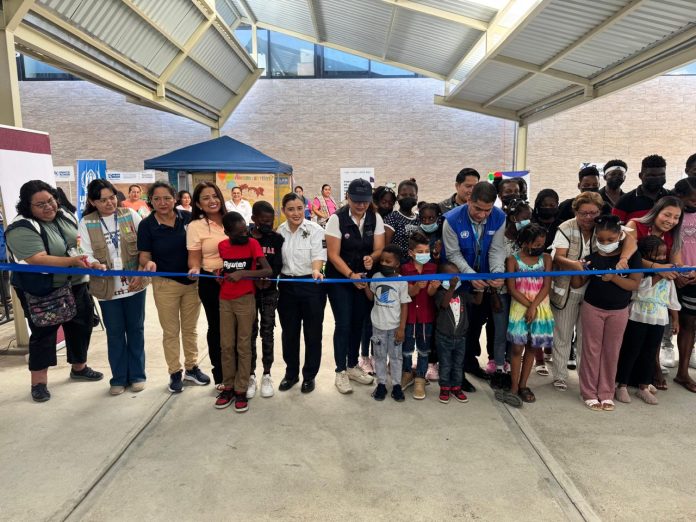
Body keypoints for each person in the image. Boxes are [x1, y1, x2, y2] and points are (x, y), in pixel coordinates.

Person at [5, 180, 102, 402]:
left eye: (51, 200)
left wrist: (87, 259)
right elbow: (37, 259)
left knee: (82, 325)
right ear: (27, 206)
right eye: (40, 204)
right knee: (44, 334)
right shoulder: (20, 228)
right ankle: (38, 382)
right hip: (43, 289)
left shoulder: (64, 215)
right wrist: (73, 261)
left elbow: (79, 242)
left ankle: (79, 367)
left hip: (76, 283)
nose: (49, 206)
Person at [550, 192, 636, 392]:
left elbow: (631, 239)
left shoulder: (604, 225)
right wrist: (574, 265)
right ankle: (560, 376)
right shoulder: (566, 227)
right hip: (567, 290)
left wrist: (624, 258)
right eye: (583, 213)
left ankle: (586, 377)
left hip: (594, 293)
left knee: (587, 339)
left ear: (600, 212)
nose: (588, 217)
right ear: (575, 212)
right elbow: (558, 257)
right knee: (562, 334)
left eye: (593, 213)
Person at [139, 181, 209, 394]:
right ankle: (174, 372)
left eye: (167, 198)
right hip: (165, 284)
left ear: (175, 198)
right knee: (171, 331)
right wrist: (148, 264)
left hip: (191, 283)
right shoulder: (147, 225)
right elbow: (144, 255)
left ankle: (191, 368)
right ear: (151, 201)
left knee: (190, 329)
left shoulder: (188, 218)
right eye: (157, 199)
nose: (162, 202)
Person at [79, 179, 148, 395]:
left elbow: (145, 245)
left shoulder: (129, 214)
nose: (110, 203)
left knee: (136, 330)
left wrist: (140, 271)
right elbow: (85, 252)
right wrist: (94, 264)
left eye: (112, 198)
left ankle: (137, 375)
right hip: (107, 288)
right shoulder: (87, 222)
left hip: (134, 285)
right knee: (115, 333)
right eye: (103, 200)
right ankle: (118, 378)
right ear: (92, 202)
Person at [570, 215, 642, 411]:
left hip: (619, 311)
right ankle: (588, 392)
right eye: (601, 240)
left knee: (612, 351)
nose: (605, 243)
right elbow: (577, 284)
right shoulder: (593, 258)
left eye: (610, 239)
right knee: (591, 350)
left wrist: (614, 278)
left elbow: (634, 284)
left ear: (620, 236)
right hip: (592, 308)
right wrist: (577, 269)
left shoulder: (631, 257)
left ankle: (606, 392)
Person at [442, 182, 507, 389]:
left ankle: (470, 363)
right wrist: (470, 275)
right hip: (459, 282)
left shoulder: (499, 217)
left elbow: (497, 249)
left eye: (487, 210)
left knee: (477, 324)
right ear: (469, 199)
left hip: (483, 282)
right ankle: (456, 374)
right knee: (458, 329)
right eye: (478, 208)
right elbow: (453, 254)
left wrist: (497, 272)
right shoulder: (452, 220)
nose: (482, 215)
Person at [325, 178, 384, 394]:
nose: (361, 205)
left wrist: (371, 258)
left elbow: (378, 248)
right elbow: (333, 255)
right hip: (341, 279)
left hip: (363, 280)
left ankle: (352, 365)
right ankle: (340, 370)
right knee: (343, 324)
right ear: (348, 197)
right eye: (356, 200)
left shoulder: (374, 218)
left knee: (358, 323)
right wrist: (351, 275)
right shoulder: (336, 219)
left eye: (365, 201)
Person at [214, 212, 272, 413]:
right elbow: (224, 269)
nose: (245, 235)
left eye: (245, 231)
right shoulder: (222, 246)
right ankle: (228, 387)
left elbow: (267, 270)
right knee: (226, 345)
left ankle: (241, 389)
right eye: (239, 233)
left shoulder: (252, 244)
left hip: (245, 299)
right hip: (225, 300)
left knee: (243, 345)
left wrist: (243, 273)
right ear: (227, 232)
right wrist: (220, 275)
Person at [615, 236, 680, 405]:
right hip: (637, 316)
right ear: (646, 255)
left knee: (650, 353)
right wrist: (659, 274)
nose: (661, 258)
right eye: (657, 255)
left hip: (659, 319)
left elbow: (672, 299)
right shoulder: (640, 271)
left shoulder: (669, 276)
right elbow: (639, 291)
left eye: (663, 255)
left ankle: (643, 386)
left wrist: (675, 320)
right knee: (631, 350)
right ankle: (622, 385)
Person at [625, 195, 684, 379]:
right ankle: (624, 380)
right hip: (631, 288)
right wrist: (657, 267)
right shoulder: (635, 224)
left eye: (676, 217)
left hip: (658, 292)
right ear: (656, 212)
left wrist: (685, 273)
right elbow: (628, 256)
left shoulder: (674, 234)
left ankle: (649, 373)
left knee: (652, 339)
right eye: (667, 215)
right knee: (631, 343)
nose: (671, 221)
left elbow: (677, 264)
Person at [276, 193, 327, 394]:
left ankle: (309, 375)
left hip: (311, 284)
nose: (296, 213)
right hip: (287, 286)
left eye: (299, 208)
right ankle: (291, 374)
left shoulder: (315, 230)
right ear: (284, 211)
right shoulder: (280, 231)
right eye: (290, 209)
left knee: (313, 333)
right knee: (289, 333)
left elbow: (318, 255)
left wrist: (316, 270)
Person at [499, 224, 554, 407]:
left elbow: (546, 286)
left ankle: (523, 385)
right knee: (516, 348)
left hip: (540, 306)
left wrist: (534, 307)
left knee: (532, 346)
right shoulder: (512, 260)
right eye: (536, 244)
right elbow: (512, 288)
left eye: (542, 244)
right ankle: (514, 387)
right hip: (519, 307)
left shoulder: (546, 258)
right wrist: (529, 307)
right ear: (524, 242)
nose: (540, 247)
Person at [186, 181, 228, 387]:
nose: (212, 201)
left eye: (215, 196)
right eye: (206, 198)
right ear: (198, 204)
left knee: (239, 328)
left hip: (237, 281)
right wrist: (194, 269)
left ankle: (243, 374)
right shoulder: (195, 226)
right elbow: (194, 258)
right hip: (211, 282)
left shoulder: (232, 219)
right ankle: (221, 375)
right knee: (217, 327)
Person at [247, 201, 284, 399]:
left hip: (269, 292)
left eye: (270, 221)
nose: (268, 224)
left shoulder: (276, 239)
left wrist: (270, 277)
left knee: (267, 332)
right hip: (249, 292)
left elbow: (278, 264)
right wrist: (254, 278)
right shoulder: (245, 238)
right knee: (250, 332)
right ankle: (250, 374)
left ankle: (267, 374)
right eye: (263, 221)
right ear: (254, 219)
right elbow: (243, 263)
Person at [364, 245, 410, 402]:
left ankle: (396, 385)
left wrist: (402, 328)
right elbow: (371, 297)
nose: (383, 263)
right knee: (379, 357)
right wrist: (365, 286)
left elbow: (404, 305)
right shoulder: (376, 276)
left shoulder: (402, 281)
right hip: (378, 326)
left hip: (395, 327)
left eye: (388, 261)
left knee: (396, 358)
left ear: (397, 264)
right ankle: (381, 384)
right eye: (382, 260)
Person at [401, 232, 438, 399]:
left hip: (426, 315)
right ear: (411, 253)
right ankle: (407, 373)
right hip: (409, 315)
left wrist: (433, 287)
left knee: (424, 349)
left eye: (427, 251)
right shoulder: (405, 269)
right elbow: (408, 293)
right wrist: (416, 286)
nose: (424, 255)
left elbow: (430, 293)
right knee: (407, 348)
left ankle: (421, 378)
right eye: (420, 252)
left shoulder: (433, 268)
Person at [672, 178, 696, 391]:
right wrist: (675, 271)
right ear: (679, 196)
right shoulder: (671, 215)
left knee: (689, 323)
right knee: (660, 324)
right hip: (668, 276)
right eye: (693, 200)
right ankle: (653, 370)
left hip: (693, 278)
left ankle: (683, 372)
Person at [434, 263, 469, 404]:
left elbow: (477, 302)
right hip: (444, 337)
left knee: (458, 364)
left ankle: (456, 387)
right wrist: (452, 287)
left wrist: (480, 289)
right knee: (445, 364)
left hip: (461, 338)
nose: (456, 278)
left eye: (457, 274)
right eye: (452, 276)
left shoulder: (462, 294)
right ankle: (444, 388)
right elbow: (444, 304)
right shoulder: (440, 294)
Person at [613, 154, 671, 223]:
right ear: (640, 176)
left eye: (662, 175)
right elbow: (614, 228)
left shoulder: (671, 197)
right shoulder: (625, 201)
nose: (657, 178)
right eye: (652, 175)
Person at [385, 179, 421, 262]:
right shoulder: (392, 217)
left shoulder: (419, 219)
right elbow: (386, 248)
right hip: (398, 264)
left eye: (412, 195)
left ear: (416, 198)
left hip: (417, 263)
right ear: (398, 197)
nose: (408, 197)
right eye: (404, 195)